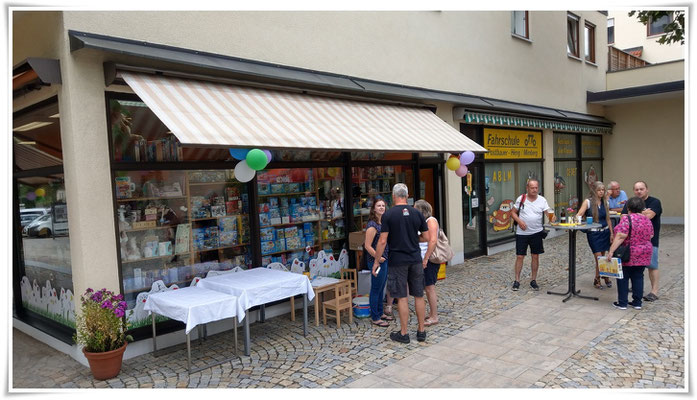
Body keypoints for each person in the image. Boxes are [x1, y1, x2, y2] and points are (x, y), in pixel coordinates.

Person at [372, 183, 430, 344]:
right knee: (419, 295)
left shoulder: (389, 215)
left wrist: (376, 261)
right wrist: (412, 238)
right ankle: (421, 331)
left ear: (393, 196)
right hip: (415, 259)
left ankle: (404, 333)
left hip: (397, 261)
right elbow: (426, 237)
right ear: (406, 195)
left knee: (402, 297)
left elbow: (382, 241)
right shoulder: (416, 213)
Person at [607, 196, 654, 310]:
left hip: (629, 253)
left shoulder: (627, 219)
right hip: (644, 251)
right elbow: (651, 235)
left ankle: (622, 303)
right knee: (638, 276)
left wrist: (611, 251)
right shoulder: (646, 220)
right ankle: (637, 302)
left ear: (628, 208)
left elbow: (620, 236)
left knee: (623, 277)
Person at [510, 179, 555, 291]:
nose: (534, 190)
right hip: (522, 233)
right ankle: (517, 280)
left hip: (536, 232)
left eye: (536, 187)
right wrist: (519, 221)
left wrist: (552, 217)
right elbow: (513, 212)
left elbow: (548, 213)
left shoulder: (542, 200)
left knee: (535, 256)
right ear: (527, 188)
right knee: (520, 256)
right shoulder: (521, 199)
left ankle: (533, 280)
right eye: (532, 188)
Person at [622, 181, 662, 302]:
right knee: (634, 266)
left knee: (652, 265)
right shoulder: (630, 202)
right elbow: (622, 217)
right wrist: (644, 212)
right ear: (634, 190)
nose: (639, 191)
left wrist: (633, 214)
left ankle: (654, 291)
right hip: (631, 242)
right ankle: (636, 287)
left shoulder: (655, 202)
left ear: (647, 189)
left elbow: (650, 216)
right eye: (637, 189)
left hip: (650, 241)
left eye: (641, 189)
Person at [577, 181, 614, 289]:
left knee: (604, 256)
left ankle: (602, 276)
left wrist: (611, 233)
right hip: (594, 233)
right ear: (594, 190)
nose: (601, 192)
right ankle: (599, 277)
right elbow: (579, 214)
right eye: (599, 190)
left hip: (605, 231)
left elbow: (608, 219)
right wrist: (580, 224)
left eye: (603, 190)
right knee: (599, 258)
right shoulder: (588, 202)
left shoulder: (605, 202)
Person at [363, 198, 394, 327]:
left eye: (383, 205)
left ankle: (380, 312)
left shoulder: (383, 223)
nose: (381, 207)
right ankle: (375, 317)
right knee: (376, 288)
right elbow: (367, 246)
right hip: (376, 261)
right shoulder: (372, 225)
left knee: (382, 287)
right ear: (374, 208)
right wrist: (377, 257)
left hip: (384, 259)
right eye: (378, 206)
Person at [414, 199, 439, 327]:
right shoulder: (423, 222)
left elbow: (433, 241)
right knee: (427, 287)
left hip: (429, 260)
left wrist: (425, 259)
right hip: (424, 259)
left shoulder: (431, 221)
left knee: (429, 288)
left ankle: (434, 316)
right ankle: (431, 313)